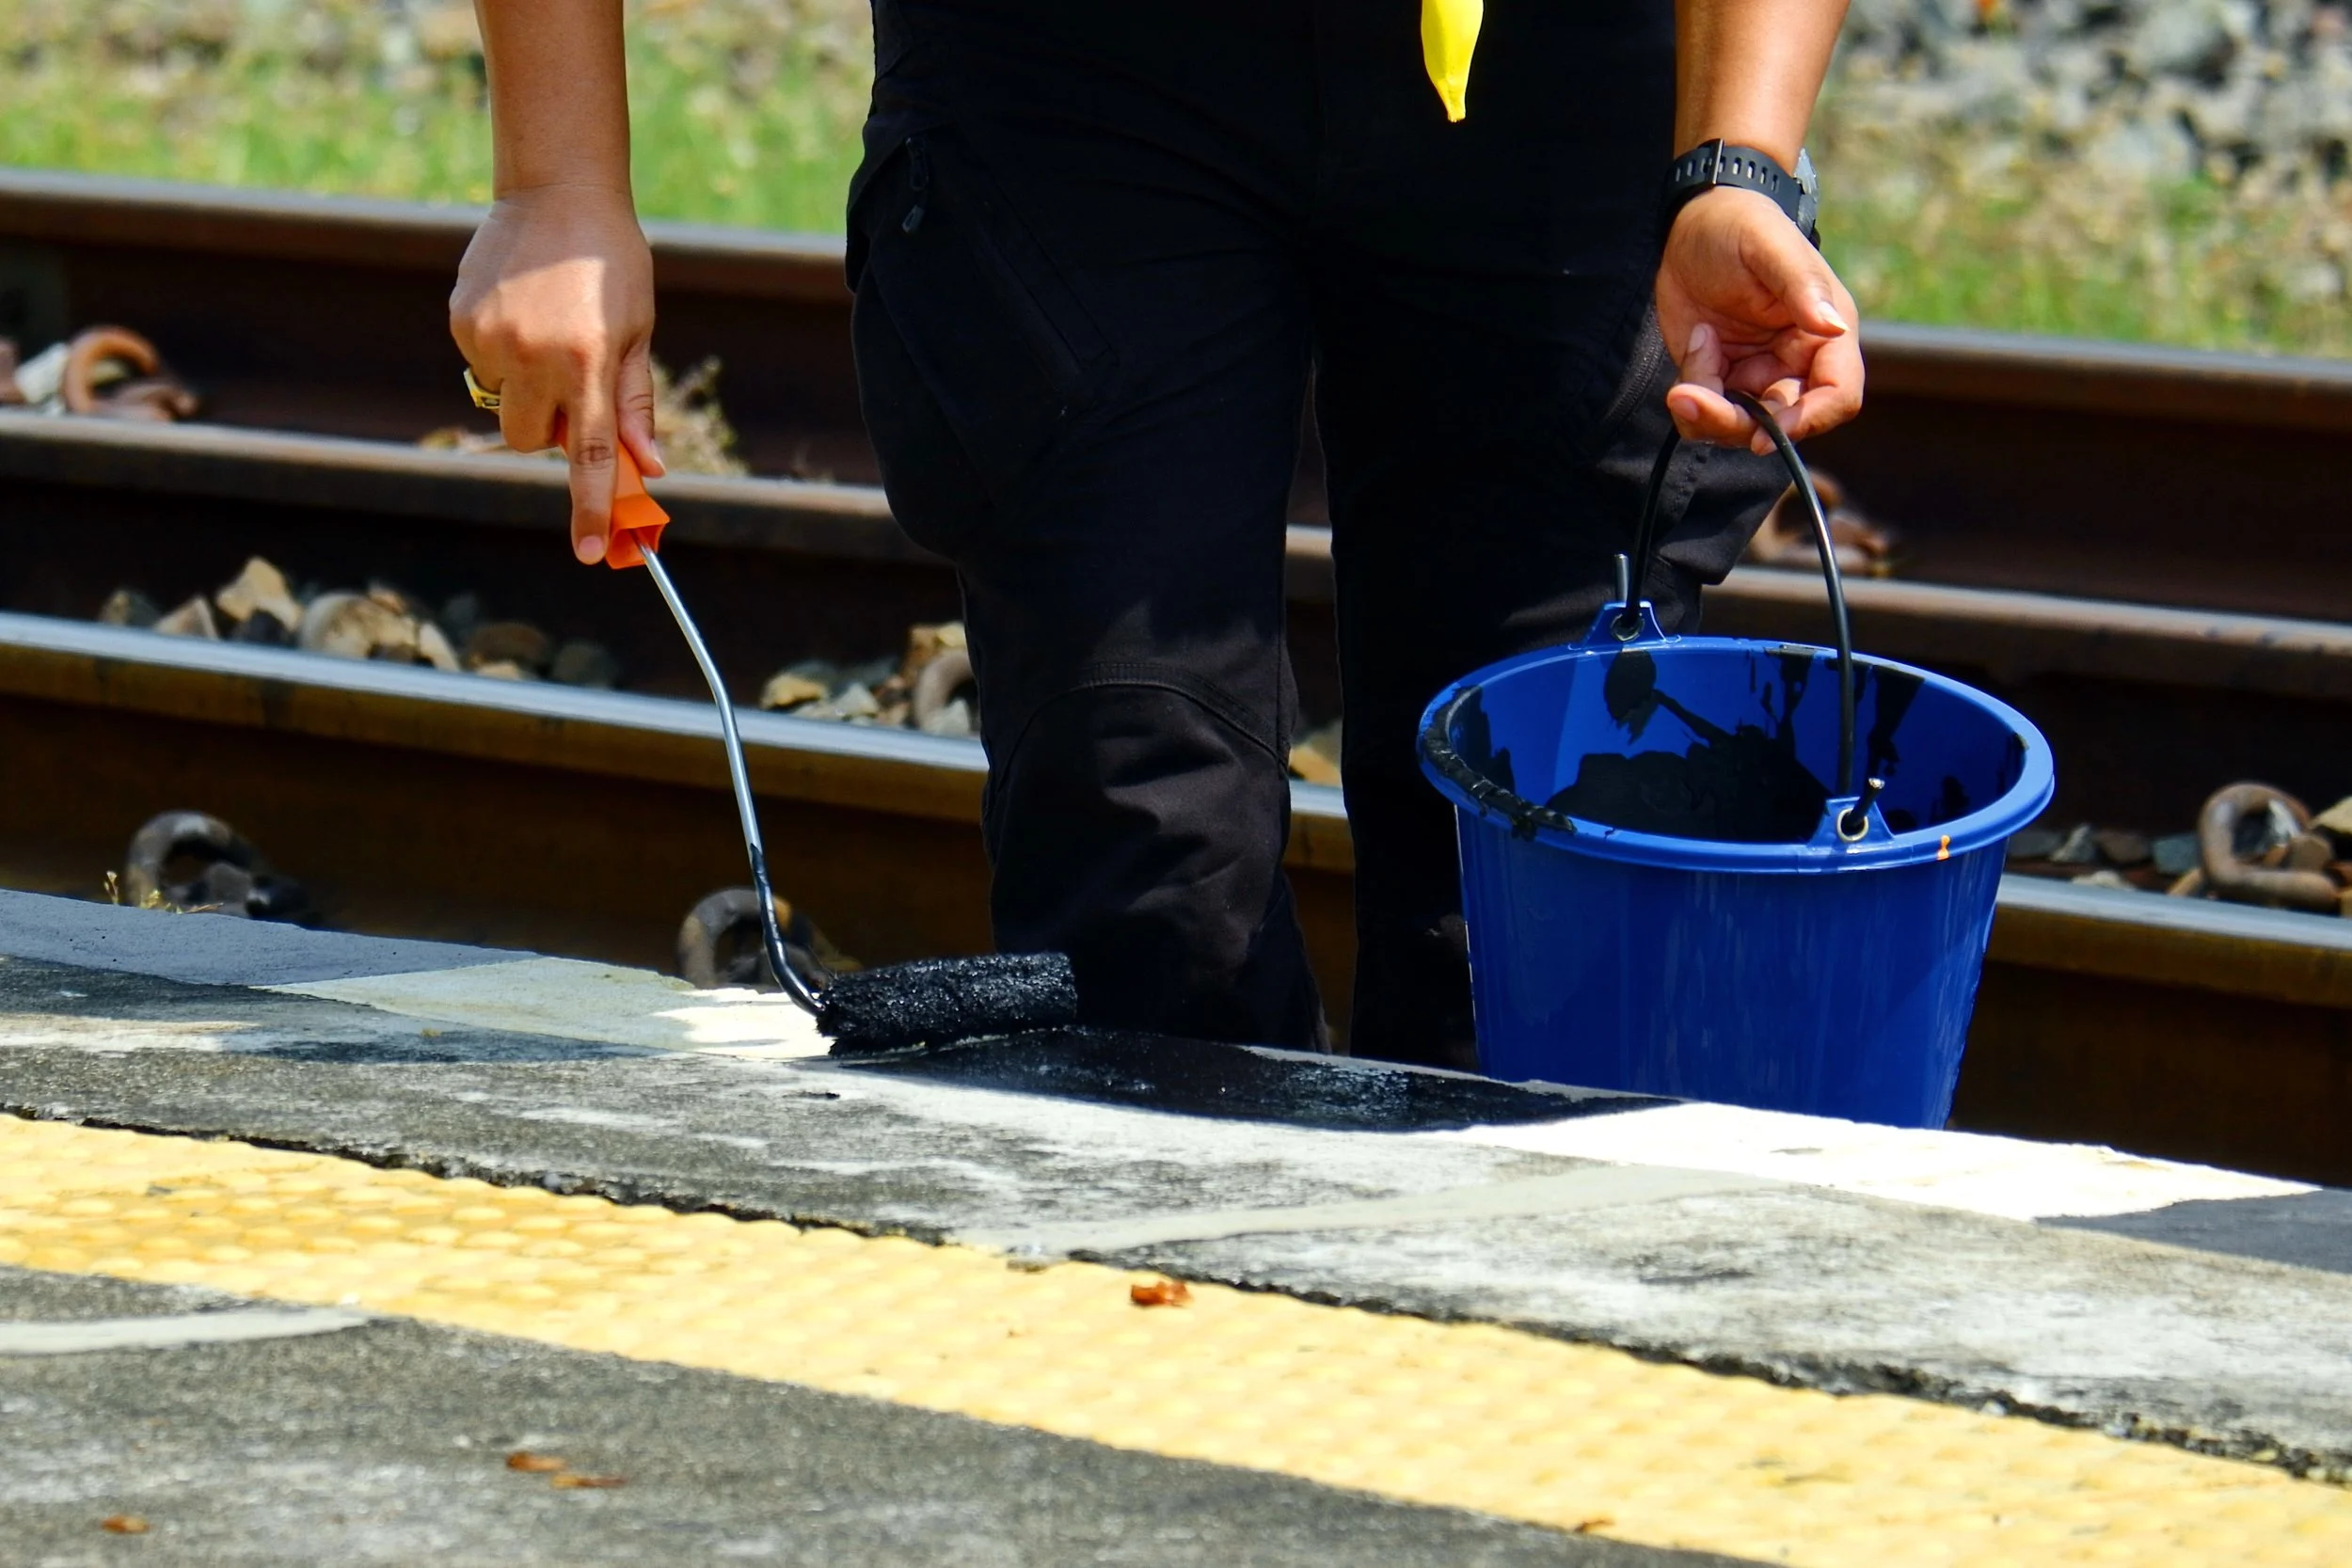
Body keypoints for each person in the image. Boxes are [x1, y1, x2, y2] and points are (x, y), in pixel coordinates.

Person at [452, 0, 1865, 1068]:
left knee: (1531, 915)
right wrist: (555, 182)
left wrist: (1739, 157)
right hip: (1076, 79)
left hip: (1547, 85)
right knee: (1147, 887)